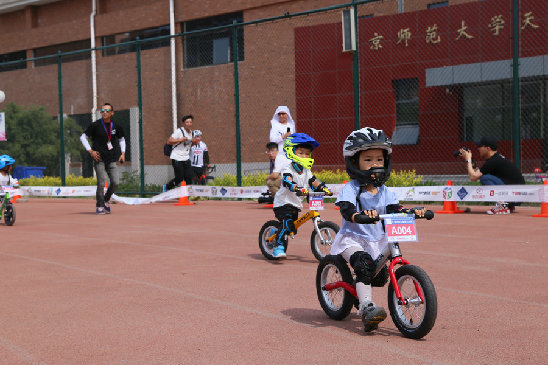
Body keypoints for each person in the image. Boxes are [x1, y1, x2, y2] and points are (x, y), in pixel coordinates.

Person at [331, 127, 424, 332]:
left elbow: (394, 209)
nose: (375, 164)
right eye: (368, 159)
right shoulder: (352, 188)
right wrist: (357, 215)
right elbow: (346, 208)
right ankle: (366, 307)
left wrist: (410, 212)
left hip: (378, 239)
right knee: (364, 265)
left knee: (379, 276)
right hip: (353, 238)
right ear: (354, 163)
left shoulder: (386, 191)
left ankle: (366, 285)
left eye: (379, 160)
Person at [272, 133, 333, 259]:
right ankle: (277, 245)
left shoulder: (307, 171)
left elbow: (314, 181)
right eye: (301, 153)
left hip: (295, 204)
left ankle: (276, 230)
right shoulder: (288, 168)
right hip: (283, 203)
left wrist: (324, 188)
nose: (305, 156)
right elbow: (287, 181)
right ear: (291, 151)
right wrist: (296, 187)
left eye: (307, 154)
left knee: (292, 228)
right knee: (288, 223)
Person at [457, 136, 525, 214]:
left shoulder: (493, 161)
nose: (478, 148)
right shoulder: (496, 159)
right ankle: (508, 204)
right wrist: (469, 160)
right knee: (484, 176)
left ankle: (502, 205)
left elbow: (473, 177)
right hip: (517, 195)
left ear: (488, 148)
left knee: (485, 178)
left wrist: (468, 159)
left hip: (516, 196)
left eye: (480, 146)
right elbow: (476, 173)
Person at [80, 103, 126, 215]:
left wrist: (123, 153)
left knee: (115, 182)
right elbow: (83, 137)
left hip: (112, 158)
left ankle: (106, 199)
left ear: (112, 113)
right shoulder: (95, 125)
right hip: (99, 158)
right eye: (102, 110)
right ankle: (99, 205)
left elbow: (122, 140)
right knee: (101, 183)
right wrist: (91, 151)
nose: (104, 112)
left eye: (107, 110)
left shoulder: (116, 126)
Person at [164, 114, 198, 191]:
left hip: (186, 157)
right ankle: (167, 187)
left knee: (189, 177)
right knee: (179, 178)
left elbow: (188, 145)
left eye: (190, 122)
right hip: (177, 157)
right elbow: (169, 141)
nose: (189, 124)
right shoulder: (179, 131)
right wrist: (180, 140)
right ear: (183, 123)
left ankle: (186, 196)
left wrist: (194, 142)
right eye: (187, 122)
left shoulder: (192, 133)